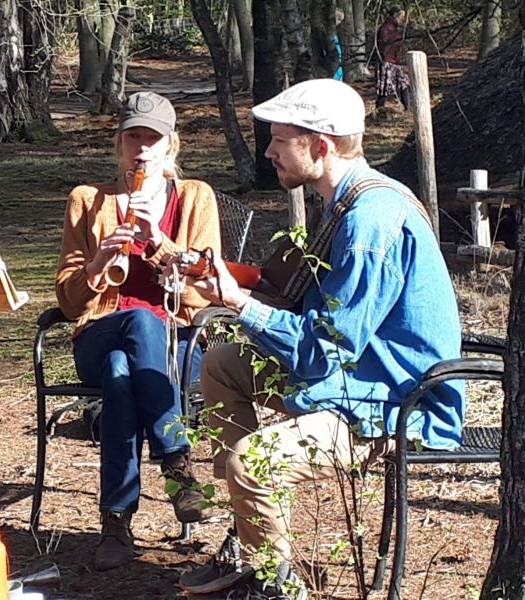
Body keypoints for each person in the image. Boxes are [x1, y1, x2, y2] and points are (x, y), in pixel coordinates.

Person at [172, 79, 463, 599]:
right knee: (222, 362)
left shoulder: (370, 223)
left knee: (251, 462)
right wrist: (236, 282)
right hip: (355, 382)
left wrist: (239, 303)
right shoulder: (346, 203)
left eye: (280, 139)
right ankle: (251, 535)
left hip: (393, 405)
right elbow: (314, 319)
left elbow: (323, 352)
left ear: (320, 146)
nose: (268, 151)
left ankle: (277, 587)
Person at [55, 91, 221, 571]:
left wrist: (159, 245)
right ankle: (176, 460)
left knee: (119, 370)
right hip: (99, 329)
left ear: (172, 144)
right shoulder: (88, 201)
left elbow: (208, 288)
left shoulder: (195, 197)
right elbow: (68, 302)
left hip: (177, 342)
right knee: (131, 327)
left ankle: (115, 522)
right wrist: (98, 263)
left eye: (153, 139)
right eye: (134, 138)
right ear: (119, 144)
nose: (143, 149)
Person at [374, 5, 411, 110]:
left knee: (404, 83)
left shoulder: (394, 28)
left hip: (395, 61)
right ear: (396, 15)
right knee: (384, 88)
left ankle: (407, 108)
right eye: (401, 16)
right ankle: (379, 108)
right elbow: (384, 46)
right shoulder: (386, 28)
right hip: (387, 62)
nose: (402, 19)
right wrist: (385, 60)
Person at [333, 8, 345, 81]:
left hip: (338, 64)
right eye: (339, 19)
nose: (340, 23)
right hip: (334, 65)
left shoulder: (334, 33)